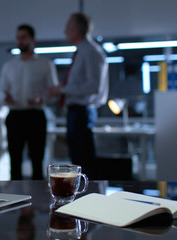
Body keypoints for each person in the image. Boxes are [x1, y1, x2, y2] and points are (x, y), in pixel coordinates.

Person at [47, 13, 109, 178]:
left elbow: (92, 86)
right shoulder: (82, 51)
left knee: (83, 162)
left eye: (67, 28)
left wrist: (63, 89)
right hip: (76, 112)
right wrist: (64, 88)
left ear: (76, 30)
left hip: (82, 111)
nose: (64, 31)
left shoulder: (90, 51)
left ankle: (88, 199)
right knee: (77, 159)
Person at [0, 24, 58, 180]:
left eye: (23, 37)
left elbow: (54, 93)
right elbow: (0, 91)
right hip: (15, 116)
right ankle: (15, 199)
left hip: (35, 116)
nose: (20, 41)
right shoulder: (9, 65)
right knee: (14, 162)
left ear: (33, 39)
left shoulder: (45, 64)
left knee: (37, 162)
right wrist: (5, 97)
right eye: (18, 38)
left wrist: (41, 99)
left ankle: (38, 202)